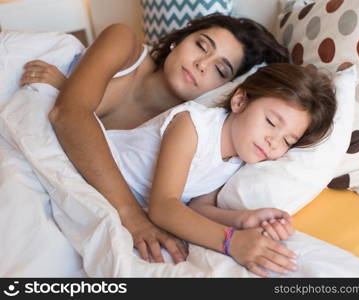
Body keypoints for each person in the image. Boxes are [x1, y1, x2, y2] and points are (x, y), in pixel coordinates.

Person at [20, 14, 289, 265]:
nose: (202, 64)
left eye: (220, 70)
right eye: (200, 46)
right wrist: (132, 215)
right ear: (178, 39)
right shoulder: (123, 41)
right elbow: (68, 114)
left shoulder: (190, 130)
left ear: (227, 89)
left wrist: (241, 220)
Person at [99, 63, 337, 277]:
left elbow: (198, 207)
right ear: (240, 101)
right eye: (272, 123)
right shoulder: (192, 125)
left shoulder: (239, 159)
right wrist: (231, 242)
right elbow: (163, 206)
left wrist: (245, 219)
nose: (274, 142)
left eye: (287, 141)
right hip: (99, 176)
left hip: (126, 201)